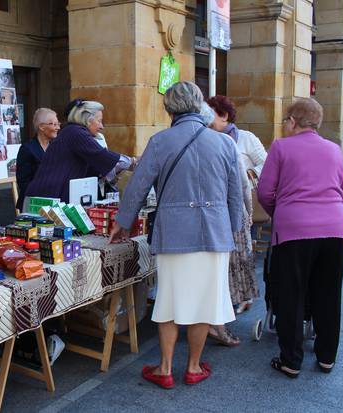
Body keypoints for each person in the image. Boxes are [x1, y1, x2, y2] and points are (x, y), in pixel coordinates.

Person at [109, 81, 244, 388]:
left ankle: (166, 368)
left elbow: (137, 187)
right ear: (200, 106)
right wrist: (232, 228)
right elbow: (236, 195)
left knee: (169, 300)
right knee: (204, 303)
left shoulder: (160, 141)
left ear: (169, 108)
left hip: (173, 232)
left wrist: (122, 221)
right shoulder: (224, 143)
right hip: (214, 232)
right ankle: (194, 366)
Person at [258, 97, 343, 378]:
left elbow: (264, 191)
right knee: (328, 293)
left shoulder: (281, 147)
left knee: (291, 294)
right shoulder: (334, 149)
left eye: (285, 119)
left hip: (294, 230)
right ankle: (326, 357)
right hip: (335, 229)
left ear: (292, 121)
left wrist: (283, 212)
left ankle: (291, 360)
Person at [203, 98, 262, 346]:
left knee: (233, 266)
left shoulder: (244, 138)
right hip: (220, 212)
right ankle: (217, 321)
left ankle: (221, 317)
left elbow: (261, 165)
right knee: (222, 270)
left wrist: (252, 173)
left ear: (224, 115)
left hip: (233, 211)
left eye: (212, 115)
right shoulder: (208, 140)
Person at [24, 100, 136, 203]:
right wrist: (133, 162)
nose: (101, 126)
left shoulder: (74, 131)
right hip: (46, 197)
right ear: (88, 120)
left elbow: (96, 166)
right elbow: (101, 155)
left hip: (51, 195)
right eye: (99, 121)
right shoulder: (76, 132)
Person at [15, 108, 60, 211]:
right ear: (41, 127)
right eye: (53, 124)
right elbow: (23, 182)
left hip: (53, 201)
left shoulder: (56, 147)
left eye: (58, 124)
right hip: (33, 203)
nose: (57, 127)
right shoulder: (27, 149)